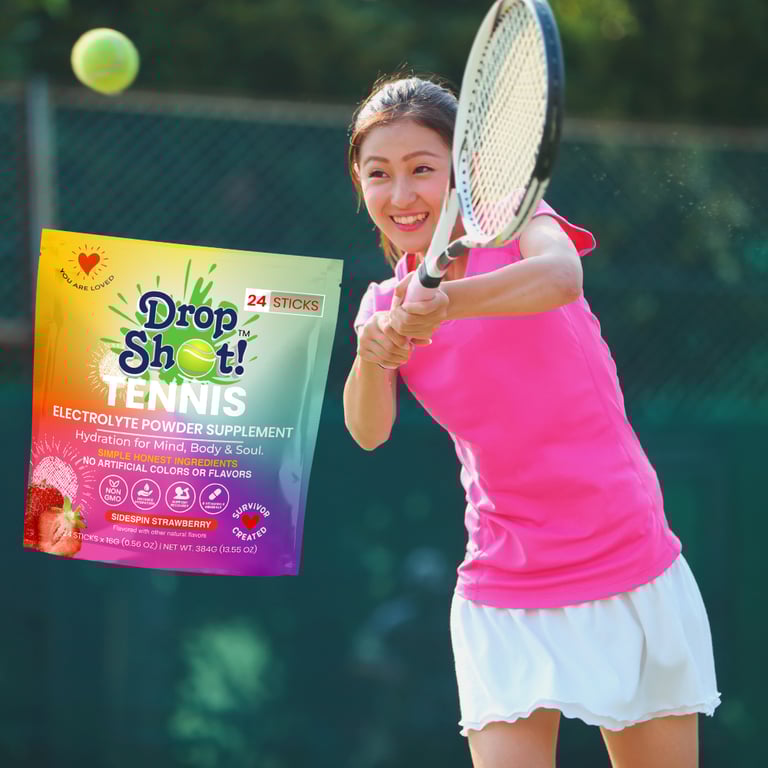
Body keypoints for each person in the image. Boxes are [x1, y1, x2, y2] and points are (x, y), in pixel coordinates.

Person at [342, 74, 720, 768]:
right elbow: (369, 430)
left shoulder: (519, 220)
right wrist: (373, 356)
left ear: (463, 172)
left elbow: (561, 277)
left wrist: (448, 302)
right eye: (379, 174)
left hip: (625, 554)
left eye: (422, 169)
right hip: (502, 582)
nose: (400, 195)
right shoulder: (383, 306)